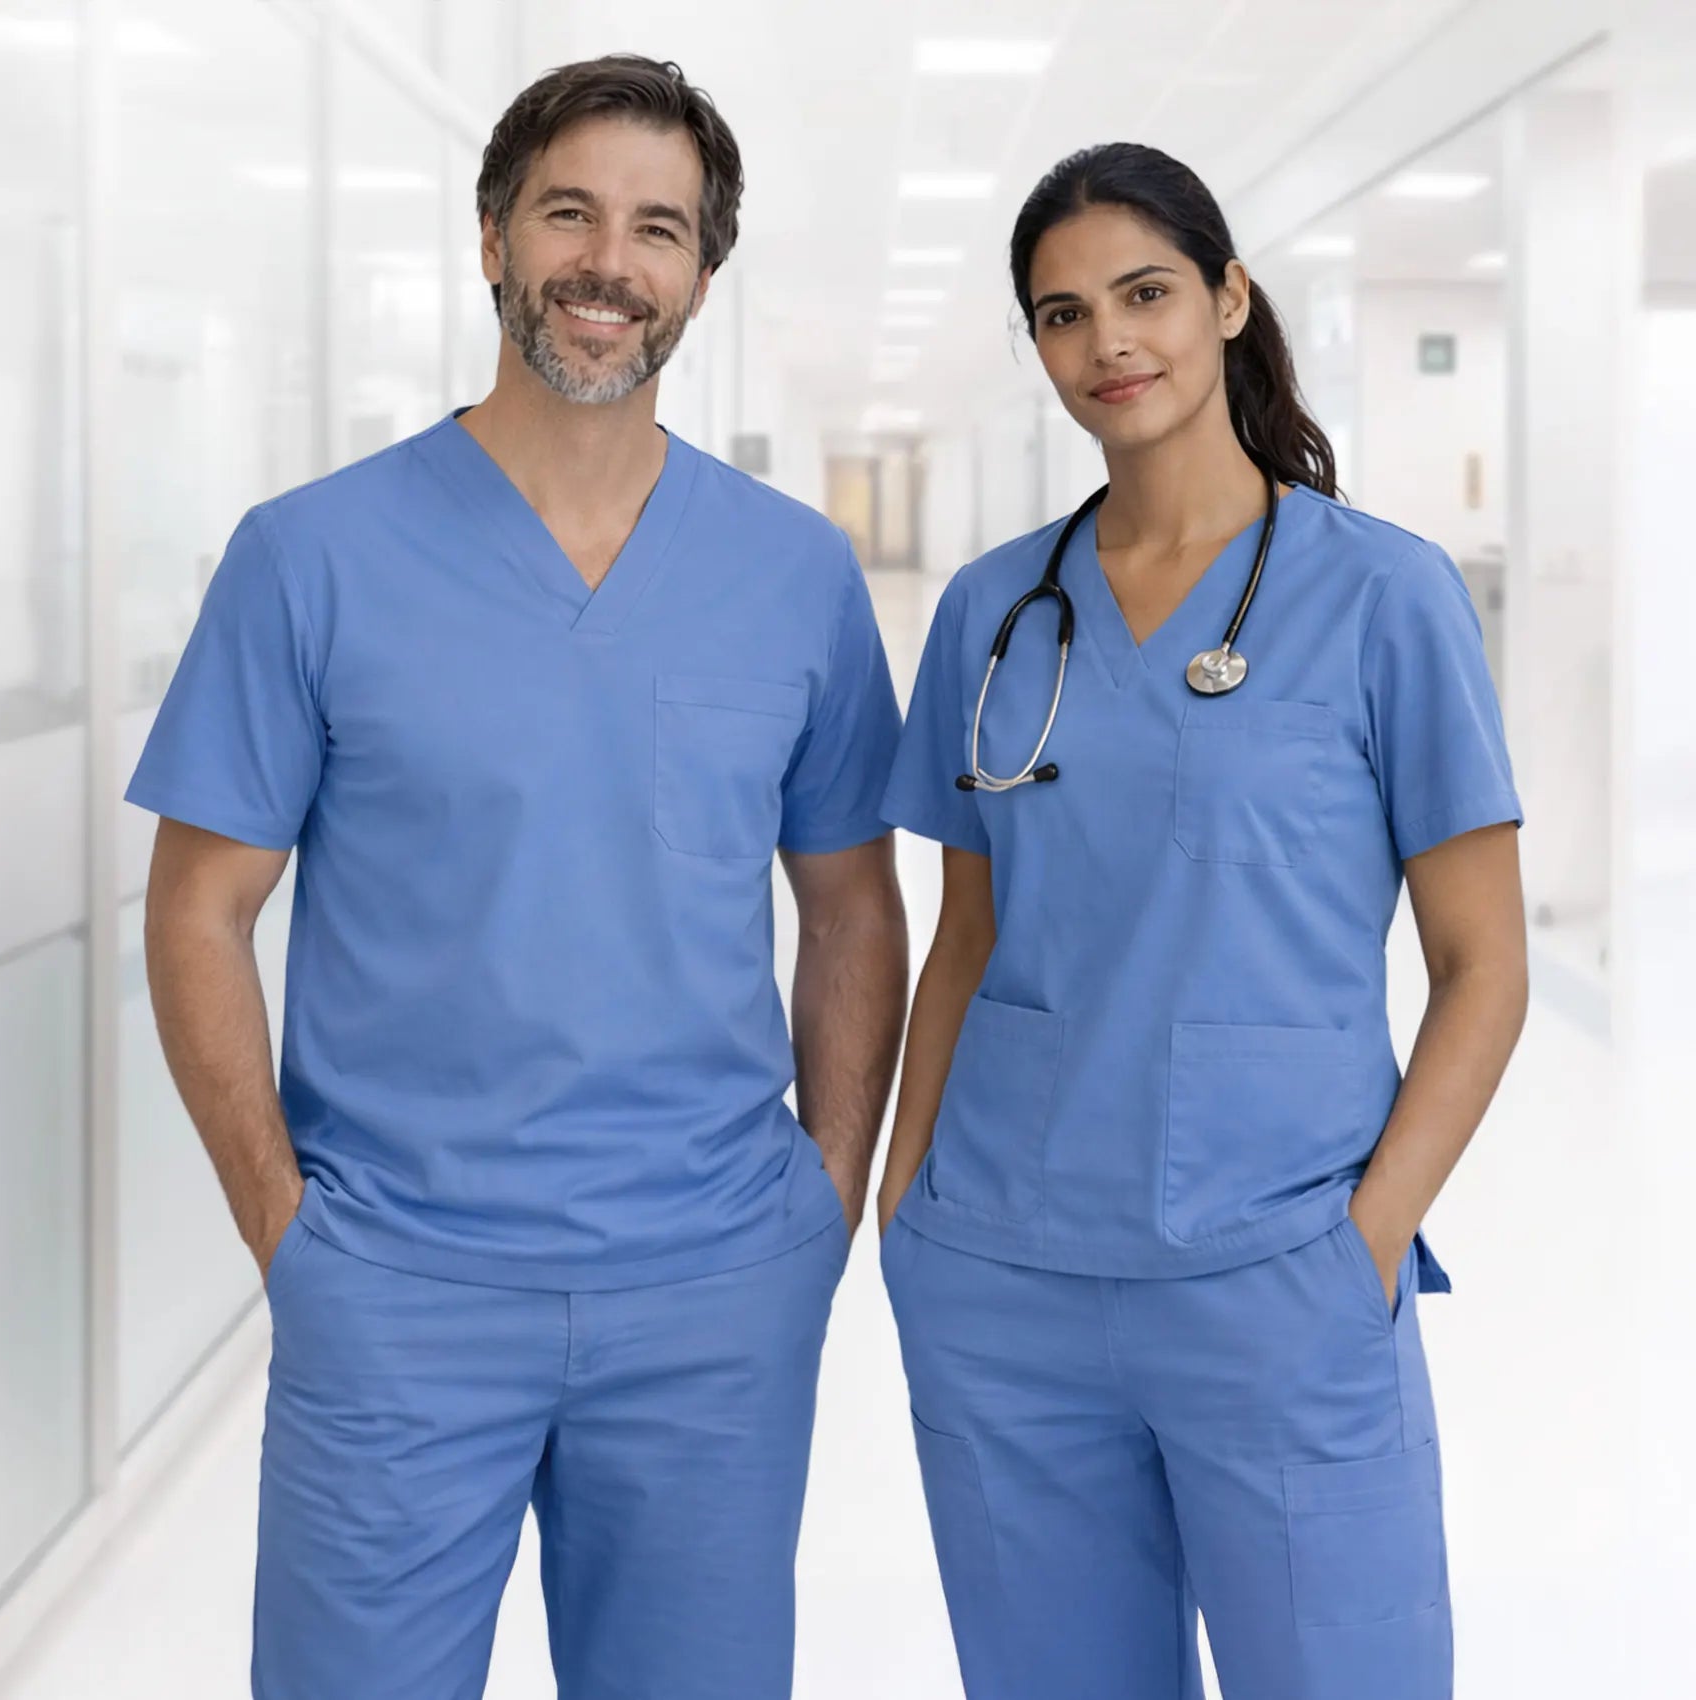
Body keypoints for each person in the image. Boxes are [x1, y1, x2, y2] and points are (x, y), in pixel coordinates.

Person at [127, 54, 907, 1700]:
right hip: (397, 1293)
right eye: (570, 211)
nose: (608, 264)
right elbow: (199, 907)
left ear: (702, 273)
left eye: (658, 228)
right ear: (492, 239)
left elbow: (851, 905)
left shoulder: (794, 576)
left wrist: (817, 1209)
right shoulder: (312, 555)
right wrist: (291, 1234)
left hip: (712, 1296)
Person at [875, 141, 1528, 1700]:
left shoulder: (1385, 596)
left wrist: (1359, 1250)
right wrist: (908, 1212)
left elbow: (1482, 966)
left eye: (1148, 291)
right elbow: (966, 933)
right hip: (1003, 1277)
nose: (1109, 341)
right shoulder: (992, 607)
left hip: (1277, 1277)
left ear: (1232, 296)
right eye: (1062, 314)